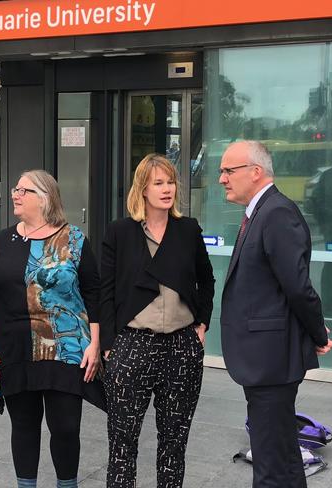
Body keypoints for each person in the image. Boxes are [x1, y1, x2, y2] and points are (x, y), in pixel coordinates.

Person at [0, 169, 103, 488]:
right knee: (24, 425)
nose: (15, 194)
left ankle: (67, 484)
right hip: (14, 349)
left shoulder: (74, 239)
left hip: (66, 348)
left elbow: (94, 293)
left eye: (23, 190)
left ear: (45, 199)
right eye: (15, 189)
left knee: (66, 427)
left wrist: (96, 343)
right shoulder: (6, 239)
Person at [218, 140, 332, 488]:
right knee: (282, 454)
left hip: (271, 360)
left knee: (270, 463)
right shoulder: (262, 211)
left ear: (256, 172)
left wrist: (317, 333)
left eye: (228, 170)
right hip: (264, 359)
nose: (222, 178)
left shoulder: (276, 212)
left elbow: (297, 286)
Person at [100, 153, 215, 488]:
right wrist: (110, 345)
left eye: (171, 182)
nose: (167, 189)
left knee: (174, 445)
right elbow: (105, 291)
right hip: (132, 345)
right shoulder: (120, 232)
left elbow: (206, 280)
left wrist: (202, 325)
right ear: (143, 189)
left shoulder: (188, 230)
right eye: (158, 183)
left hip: (182, 347)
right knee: (122, 445)